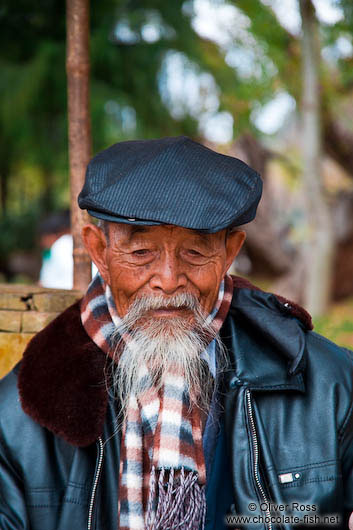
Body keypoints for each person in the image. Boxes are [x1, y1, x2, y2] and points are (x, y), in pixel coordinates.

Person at [0, 136, 353, 530]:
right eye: (140, 253)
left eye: (195, 253)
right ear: (98, 251)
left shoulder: (329, 385)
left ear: (230, 253)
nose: (168, 281)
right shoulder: (20, 415)